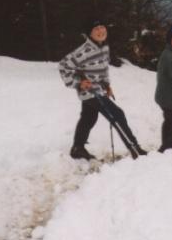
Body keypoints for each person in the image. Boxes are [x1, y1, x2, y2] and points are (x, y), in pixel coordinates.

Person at [59, 20, 147, 160]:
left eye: (102, 27)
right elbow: (64, 66)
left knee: (89, 118)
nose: (101, 31)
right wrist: (78, 83)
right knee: (117, 114)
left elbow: (104, 69)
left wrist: (107, 85)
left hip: (99, 89)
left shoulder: (104, 47)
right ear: (90, 33)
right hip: (90, 91)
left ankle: (77, 148)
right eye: (96, 29)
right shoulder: (84, 51)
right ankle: (135, 148)